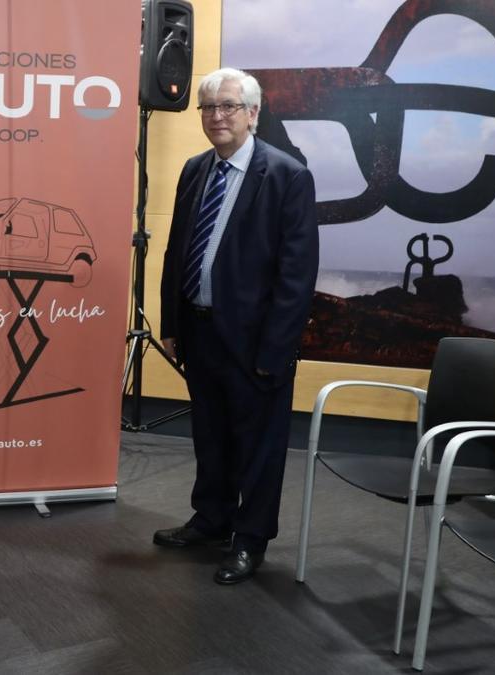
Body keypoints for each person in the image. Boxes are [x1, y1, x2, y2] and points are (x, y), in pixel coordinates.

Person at [156, 67, 319, 585]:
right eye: (207, 107)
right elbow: (177, 249)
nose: (216, 116)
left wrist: (276, 349)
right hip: (200, 333)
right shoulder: (194, 170)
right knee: (211, 436)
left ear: (253, 113)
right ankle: (213, 519)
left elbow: (297, 276)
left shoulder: (288, 176)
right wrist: (172, 321)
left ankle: (250, 539)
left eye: (227, 106)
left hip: (256, 344)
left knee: (258, 447)